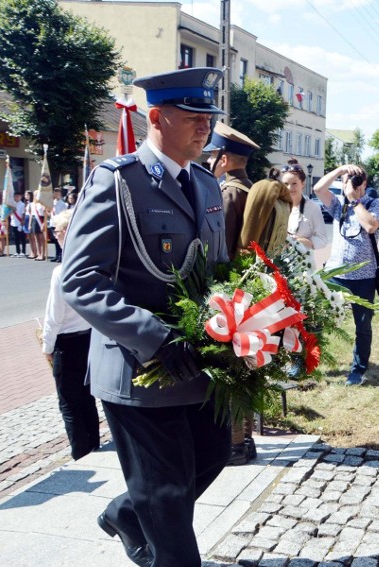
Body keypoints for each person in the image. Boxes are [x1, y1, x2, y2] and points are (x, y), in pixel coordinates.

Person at [61, 67, 231, 567]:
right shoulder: (118, 183)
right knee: (168, 499)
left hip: (196, 362)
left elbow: (216, 271)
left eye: (209, 117)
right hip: (138, 368)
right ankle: (153, 525)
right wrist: (153, 337)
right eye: (194, 116)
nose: (206, 127)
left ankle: (126, 513)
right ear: (156, 117)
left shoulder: (205, 184)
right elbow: (79, 280)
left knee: (213, 454)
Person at [203, 122, 261, 467]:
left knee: (231, 369)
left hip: (233, 290)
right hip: (255, 290)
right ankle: (247, 439)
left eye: (214, 155)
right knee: (248, 366)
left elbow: (220, 249)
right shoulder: (252, 188)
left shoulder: (229, 193)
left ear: (223, 159)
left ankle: (235, 445)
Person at [314, 164, 379, 386]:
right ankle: (306, 361)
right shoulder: (339, 206)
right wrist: (339, 171)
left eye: (356, 181)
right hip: (335, 273)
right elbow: (318, 189)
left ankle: (357, 370)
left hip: (364, 277)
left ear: (365, 184)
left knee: (362, 327)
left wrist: (355, 201)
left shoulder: (376, 204)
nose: (351, 185)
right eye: (347, 181)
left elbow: (370, 226)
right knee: (313, 317)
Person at [41, 209, 99, 459]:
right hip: (88, 338)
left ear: (68, 232)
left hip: (66, 342)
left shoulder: (61, 271)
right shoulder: (90, 262)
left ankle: (81, 452)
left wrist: (46, 346)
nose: (55, 234)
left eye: (58, 230)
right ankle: (94, 445)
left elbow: (54, 316)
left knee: (69, 403)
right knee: (86, 398)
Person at [204, 121, 260, 261]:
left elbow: (223, 246)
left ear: (223, 160)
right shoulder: (249, 187)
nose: (209, 161)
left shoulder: (228, 193)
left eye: (211, 155)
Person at [281, 159, 328, 269]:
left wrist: (297, 241)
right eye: (286, 184)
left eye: (294, 184)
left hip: (302, 267)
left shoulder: (312, 207)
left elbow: (322, 240)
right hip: (278, 264)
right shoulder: (278, 206)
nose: (289, 188)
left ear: (303, 184)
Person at [240, 172, 293, 257]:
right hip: (271, 259)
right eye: (286, 183)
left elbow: (249, 233)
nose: (290, 187)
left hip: (257, 258)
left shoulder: (262, 190)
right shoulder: (285, 201)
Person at [25, 190, 47, 260]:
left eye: (37, 195)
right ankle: (38, 253)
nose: (35, 196)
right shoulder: (32, 204)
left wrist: (44, 223)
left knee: (41, 239)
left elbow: (45, 214)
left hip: (40, 220)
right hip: (34, 220)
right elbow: (31, 214)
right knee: (36, 238)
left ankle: (43, 254)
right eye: (34, 195)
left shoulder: (43, 204)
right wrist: (29, 224)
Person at [48, 188, 68, 262]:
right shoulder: (52, 203)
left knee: (59, 240)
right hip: (53, 223)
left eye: (57, 194)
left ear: (60, 194)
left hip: (59, 223)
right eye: (55, 194)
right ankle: (57, 255)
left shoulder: (63, 204)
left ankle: (61, 255)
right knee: (55, 240)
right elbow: (50, 214)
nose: (56, 195)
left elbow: (63, 214)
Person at [10, 193, 26, 257]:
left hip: (20, 223)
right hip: (14, 222)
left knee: (22, 238)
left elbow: (23, 214)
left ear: (21, 197)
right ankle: (17, 251)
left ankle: (23, 252)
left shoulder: (22, 204)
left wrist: (21, 224)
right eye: (15, 196)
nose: (16, 197)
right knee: (16, 238)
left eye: (18, 196)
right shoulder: (12, 204)